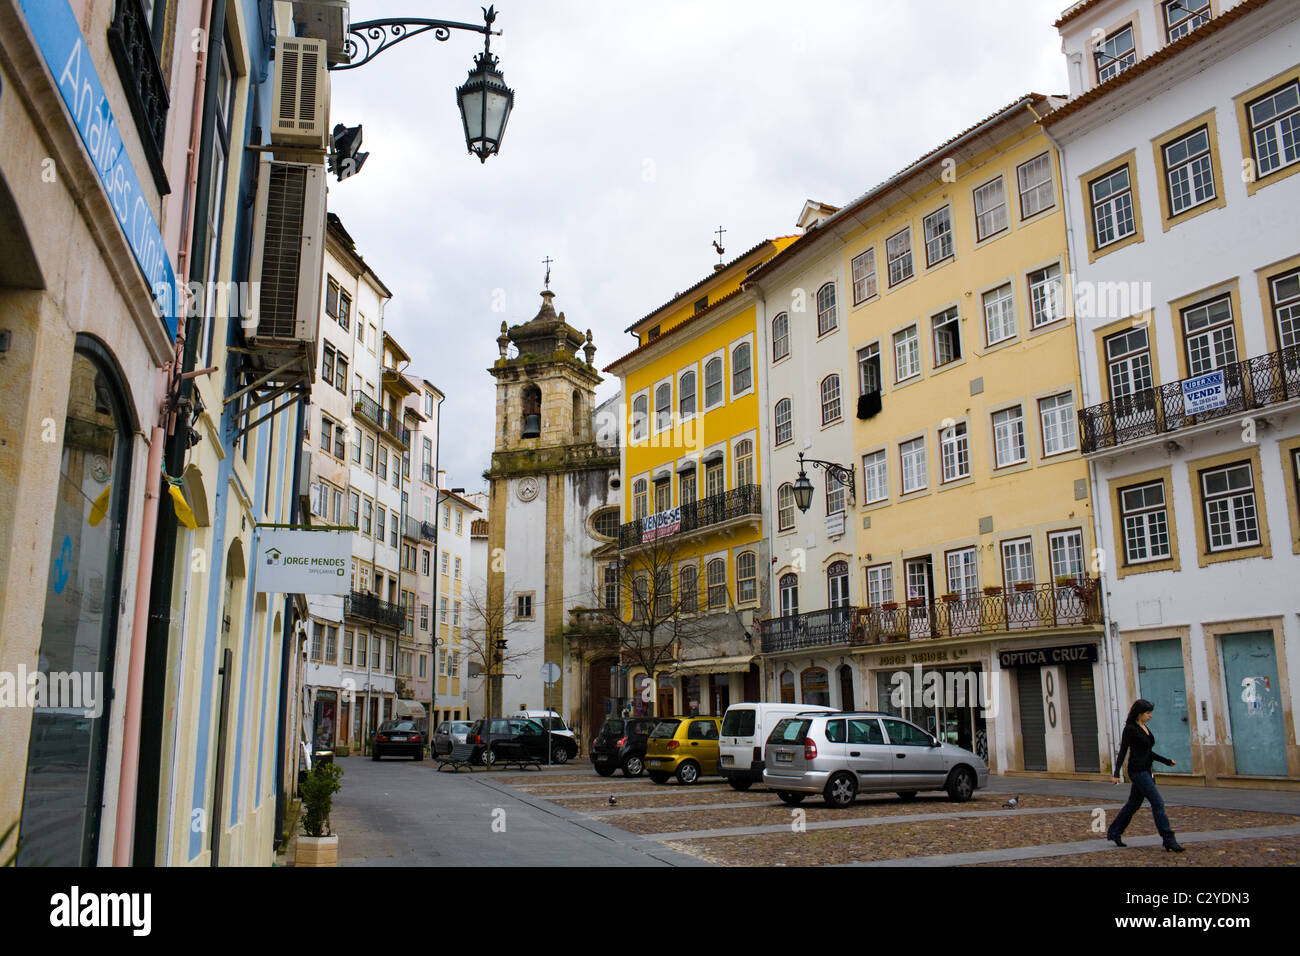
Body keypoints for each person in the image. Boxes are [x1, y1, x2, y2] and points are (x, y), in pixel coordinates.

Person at [1107, 698, 1185, 852]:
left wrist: (1166, 761)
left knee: (1133, 804)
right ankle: (1168, 838)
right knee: (1158, 803)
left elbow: (1148, 751)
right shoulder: (1130, 729)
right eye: (1148, 713)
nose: (1150, 716)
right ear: (1139, 713)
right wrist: (1116, 773)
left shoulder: (1144, 728)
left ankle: (1114, 832)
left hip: (1147, 770)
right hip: (1137, 771)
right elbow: (1123, 751)